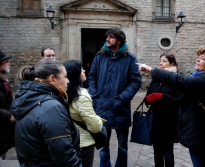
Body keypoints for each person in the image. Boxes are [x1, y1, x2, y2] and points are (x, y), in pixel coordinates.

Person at [137, 47, 205, 167]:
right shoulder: (201, 77)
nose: (197, 60)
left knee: (201, 162)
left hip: (200, 132)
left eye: (202, 58)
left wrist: (152, 70)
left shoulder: (204, 80)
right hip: (196, 130)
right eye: (198, 57)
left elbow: (180, 82)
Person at [11, 59, 82, 166]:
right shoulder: (52, 108)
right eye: (65, 76)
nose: (68, 81)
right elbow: (64, 155)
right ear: (52, 79)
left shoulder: (29, 99)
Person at [88, 27, 142, 167]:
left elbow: (136, 81)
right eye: (107, 37)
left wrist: (122, 98)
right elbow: (92, 76)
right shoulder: (99, 56)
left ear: (119, 40)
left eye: (111, 37)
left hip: (119, 108)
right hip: (101, 107)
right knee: (102, 145)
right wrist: (95, 94)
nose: (107, 39)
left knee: (122, 145)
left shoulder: (129, 59)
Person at [63, 60, 106, 167]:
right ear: (75, 74)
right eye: (81, 69)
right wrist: (99, 120)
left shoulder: (63, 93)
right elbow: (95, 127)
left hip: (69, 140)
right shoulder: (81, 96)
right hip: (83, 143)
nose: (83, 71)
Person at [143, 52, 180, 167]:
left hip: (169, 121)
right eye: (160, 61)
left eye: (164, 61)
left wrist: (163, 97)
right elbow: (148, 96)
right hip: (155, 120)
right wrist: (147, 100)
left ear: (172, 63)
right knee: (157, 153)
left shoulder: (176, 80)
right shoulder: (155, 79)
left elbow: (179, 102)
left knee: (168, 153)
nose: (160, 63)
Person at [0, 50, 15, 160]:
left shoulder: (3, 80)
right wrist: (8, 115)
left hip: (4, 133)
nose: (9, 63)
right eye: (6, 61)